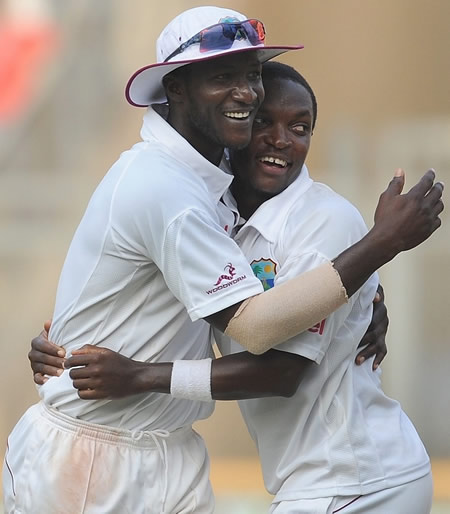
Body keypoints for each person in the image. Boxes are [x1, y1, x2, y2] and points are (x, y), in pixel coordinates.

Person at [5, 5, 443, 514]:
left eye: (252, 75)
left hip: (180, 450)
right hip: (93, 453)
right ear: (176, 89)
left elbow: (284, 295)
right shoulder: (167, 188)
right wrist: (376, 250)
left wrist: (362, 297)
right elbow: (257, 328)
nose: (246, 92)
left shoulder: (215, 191)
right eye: (223, 76)